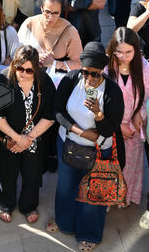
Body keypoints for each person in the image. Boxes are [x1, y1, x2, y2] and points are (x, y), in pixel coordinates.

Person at [48, 42, 125, 250]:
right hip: (68, 143)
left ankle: (89, 234)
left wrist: (98, 114)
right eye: (85, 72)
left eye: (94, 74)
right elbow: (57, 111)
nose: (89, 78)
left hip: (98, 151)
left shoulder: (113, 92)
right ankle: (65, 222)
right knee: (66, 187)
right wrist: (80, 132)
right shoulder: (72, 79)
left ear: (102, 71)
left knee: (93, 192)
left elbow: (110, 130)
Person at [0, 45, 55, 224]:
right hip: (8, 135)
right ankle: (5, 204)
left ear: (37, 69)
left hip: (35, 136)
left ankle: (29, 205)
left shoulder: (45, 82)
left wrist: (28, 139)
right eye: (19, 68)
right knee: (6, 171)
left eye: (29, 70)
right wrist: (19, 139)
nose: (23, 73)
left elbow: (50, 116)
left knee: (32, 172)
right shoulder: (3, 79)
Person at [104, 27, 149, 207]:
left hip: (134, 126)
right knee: (110, 162)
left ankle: (125, 196)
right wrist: (117, 125)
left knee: (131, 164)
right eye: (119, 52)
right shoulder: (106, 67)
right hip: (111, 126)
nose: (124, 57)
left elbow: (147, 98)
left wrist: (139, 112)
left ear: (136, 50)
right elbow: (100, 100)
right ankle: (108, 197)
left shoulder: (145, 68)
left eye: (129, 52)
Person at [18, 0, 82, 82]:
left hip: (56, 82)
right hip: (27, 77)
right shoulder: (29, 24)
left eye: (55, 13)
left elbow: (79, 64)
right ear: (41, 8)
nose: (50, 17)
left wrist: (54, 64)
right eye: (47, 12)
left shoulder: (70, 31)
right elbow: (15, 53)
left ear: (61, 11)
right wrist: (34, 59)